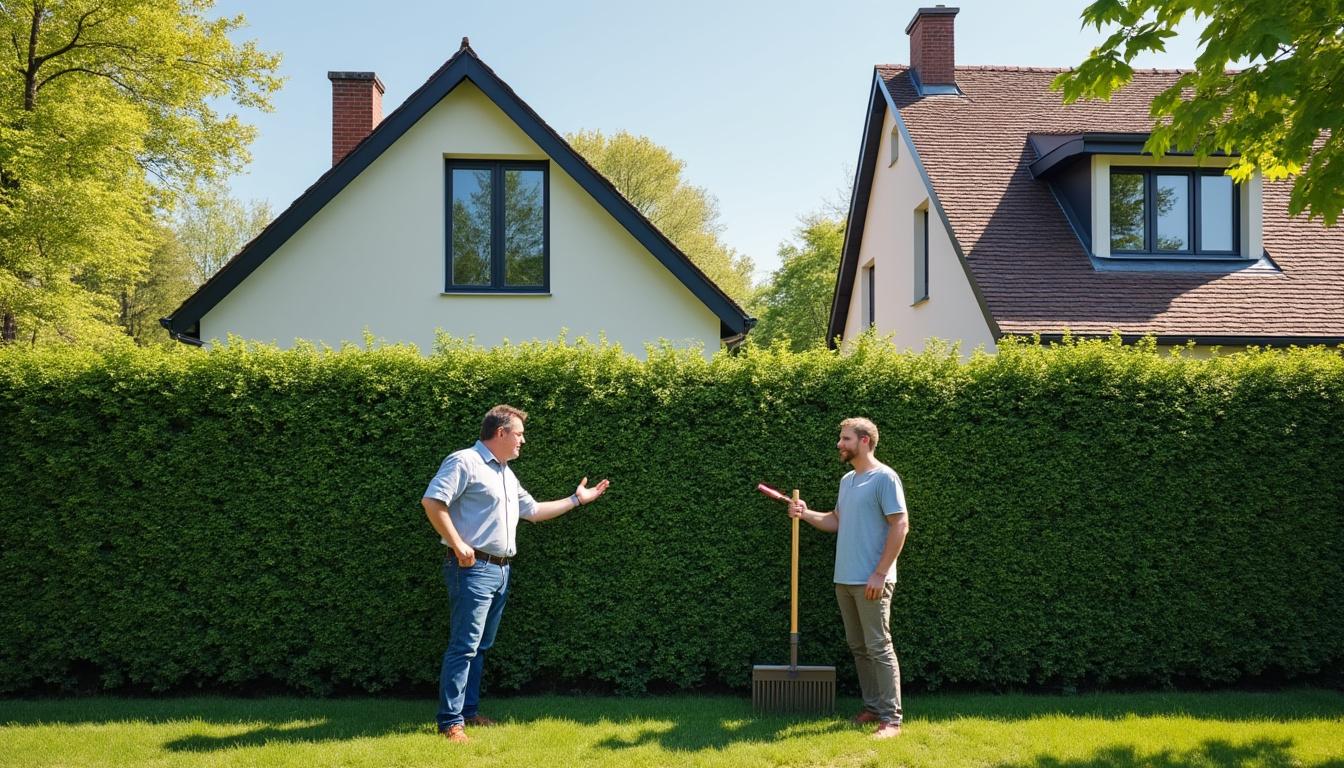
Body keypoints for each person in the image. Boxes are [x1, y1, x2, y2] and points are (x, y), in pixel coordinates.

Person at [422, 404, 610, 743]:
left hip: (500, 572)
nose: (523, 441)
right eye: (519, 435)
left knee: (479, 647)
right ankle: (450, 723)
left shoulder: (505, 473)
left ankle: (469, 713)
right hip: (472, 568)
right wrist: (458, 544)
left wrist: (577, 500)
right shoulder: (465, 461)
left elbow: (534, 511)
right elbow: (433, 501)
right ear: (501, 433)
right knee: (464, 646)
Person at [788, 417, 909, 739]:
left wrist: (880, 573)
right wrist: (805, 512)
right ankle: (872, 708)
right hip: (845, 579)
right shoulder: (847, 480)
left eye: (845, 439)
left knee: (879, 647)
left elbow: (900, 525)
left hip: (872, 580)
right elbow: (836, 521)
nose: (839, 444)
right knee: (859, 647)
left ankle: (891, 719)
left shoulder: (885, 478)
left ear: (864, 441)